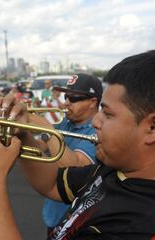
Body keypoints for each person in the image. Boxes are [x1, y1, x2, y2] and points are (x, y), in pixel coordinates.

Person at [0, 49, 155, 239]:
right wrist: (23, 134)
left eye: (107, 113)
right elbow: (51, 185)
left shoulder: (147, 227)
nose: (96, 121)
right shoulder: (118, 169)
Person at [37, 74, 102, 236]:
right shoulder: (65, 122)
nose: (66, 103)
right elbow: (40, 147)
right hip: (54, 213)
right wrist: (20, 131)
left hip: (76, 221)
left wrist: (47, 128)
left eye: (72, 98)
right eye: (66, 97)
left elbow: (75, 165)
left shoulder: (97, 131)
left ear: (92, 102)